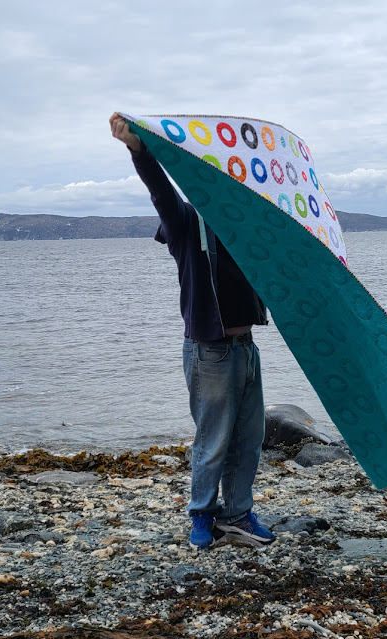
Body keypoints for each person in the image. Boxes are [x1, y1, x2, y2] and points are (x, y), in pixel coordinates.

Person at [109, 112, 276, 549]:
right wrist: (138, 150)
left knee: (249, 439)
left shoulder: (243, 229)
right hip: (210, 351)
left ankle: (238, 514)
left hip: (246, 348)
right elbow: (161, 191)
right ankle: (202, 515)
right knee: (213, 439)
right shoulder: (185, 224)